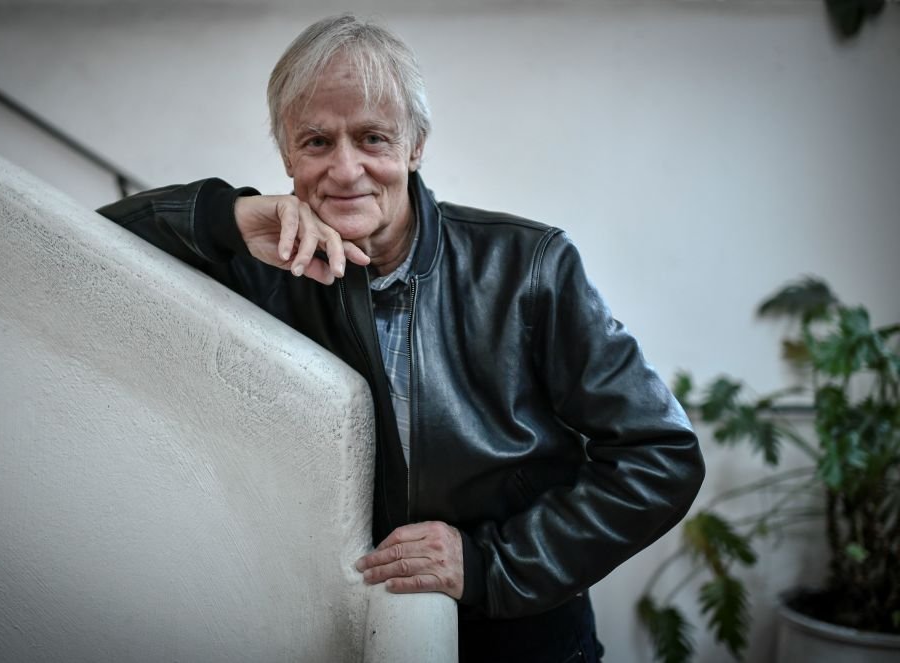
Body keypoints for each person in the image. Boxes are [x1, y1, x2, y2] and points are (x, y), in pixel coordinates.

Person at [97, 14, 704, 662]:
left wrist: (489, 562)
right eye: (317, 142)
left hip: (524, 639)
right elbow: (80, 251)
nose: (346, 168)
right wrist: (228, 216)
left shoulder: (529, 266)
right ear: (286, 156)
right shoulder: (262, 268)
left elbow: (660, 454)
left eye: (373, 138)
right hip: (327, 632)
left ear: (415, 146)